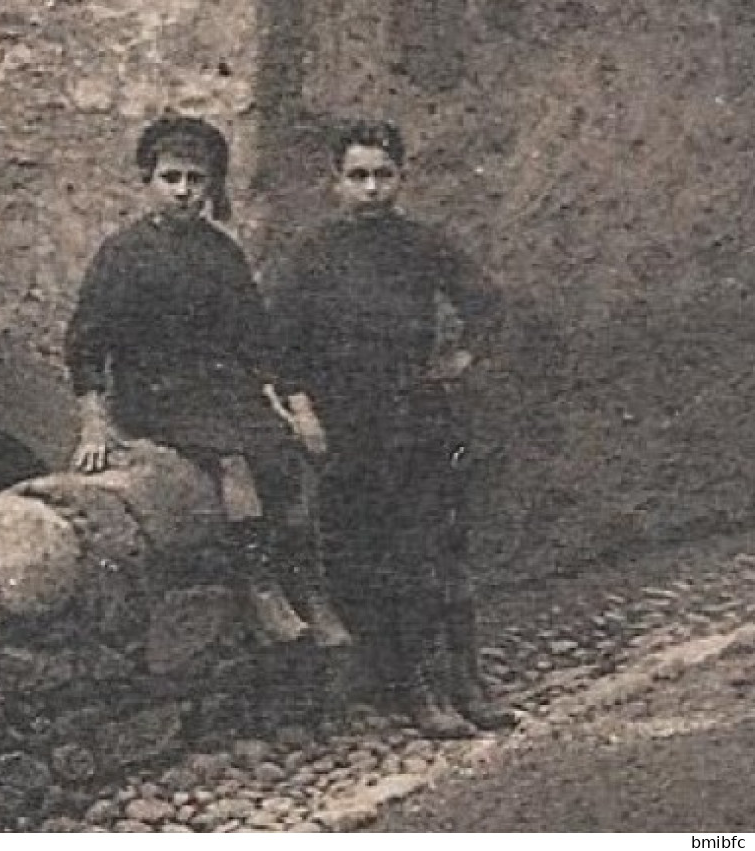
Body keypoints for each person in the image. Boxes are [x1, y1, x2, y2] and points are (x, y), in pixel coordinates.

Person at [266, 119, 517, 738]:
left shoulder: (421, 244)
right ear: (337, 182)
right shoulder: (311, 255)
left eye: (383, 175)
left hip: (418, 419)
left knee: (439, 553)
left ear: (401, 178)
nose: (372, 188)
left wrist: (459, 358)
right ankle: (415, 687)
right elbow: (280, 345)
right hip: (349, 427)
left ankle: (466, 680)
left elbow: (484, 301)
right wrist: (302, 411)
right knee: (381, 559)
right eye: (359, 176)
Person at [64, 115, 351, 649]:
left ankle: (309, 590)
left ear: (209, 186)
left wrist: (298, 409)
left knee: (289, 457)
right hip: (154, 394)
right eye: (170, 178)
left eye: (195, 181)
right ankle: (262, 589)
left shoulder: (222, 253)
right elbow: (86, 344)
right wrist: (93, 426)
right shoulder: (123, 254)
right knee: (232, 462)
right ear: (147, 182)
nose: (182, 192)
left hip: (220, 391)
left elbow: (258, 341)